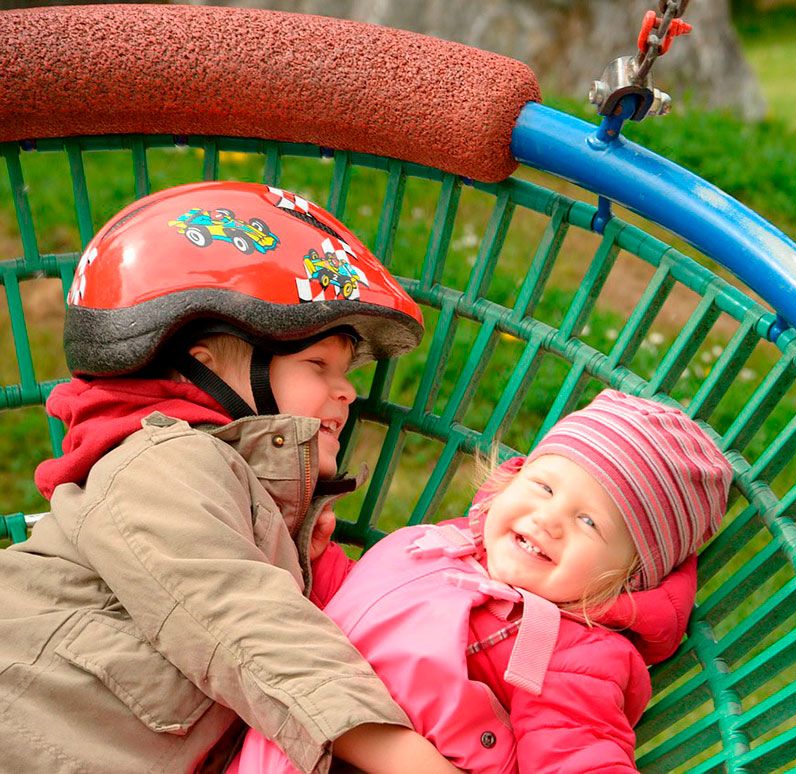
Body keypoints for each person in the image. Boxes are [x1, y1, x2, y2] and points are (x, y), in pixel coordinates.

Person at [0, 181, 461, 774]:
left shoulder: (287, 529)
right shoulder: (159, 461)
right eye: (318, 364)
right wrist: (405, 759)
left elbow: (377, 616)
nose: (347, 390)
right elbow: (243, 617)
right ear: (203, 366)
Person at [231, 388, 734, 774]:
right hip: (279, 733)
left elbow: (576, 749)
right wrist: (314, 560)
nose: (548, 518)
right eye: (543, 486)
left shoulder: (572, 654)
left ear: (627, 577)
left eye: (590, 522)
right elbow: (359, 606)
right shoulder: (447, 546)